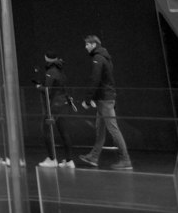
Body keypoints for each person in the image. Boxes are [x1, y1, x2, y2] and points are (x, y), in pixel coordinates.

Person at [79, 34, 132, 170]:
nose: (85, 47)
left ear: (93, 44)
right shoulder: (106, 57)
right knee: (100, 129)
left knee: (113, 129)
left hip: (105, 99)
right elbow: (102, 80)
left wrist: (87, 99)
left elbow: (95, 80)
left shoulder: (98, 58)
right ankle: (94, 157)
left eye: (87, 44)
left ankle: (125, 160)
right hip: (105, 98)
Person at [37, 51, 76, 167]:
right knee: (64, 132)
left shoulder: (51, 71)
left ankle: (52, 159)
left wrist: (39, 87)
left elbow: (47, 90)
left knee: (46, 131)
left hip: (54, 106)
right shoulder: (60, 70)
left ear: (46, 58)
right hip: (63, 104)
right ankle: (69, 161)